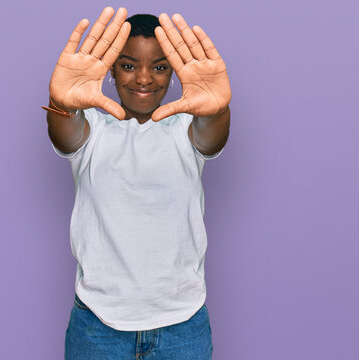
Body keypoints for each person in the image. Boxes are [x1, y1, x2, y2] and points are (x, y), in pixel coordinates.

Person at [43, 7, 231, 359]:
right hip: (97, 325)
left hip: (182, 325)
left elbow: (211, 139)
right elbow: (66, 135)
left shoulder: (186, 128)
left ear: (174, 72)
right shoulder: (93, 129)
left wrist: (217, 111)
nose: (144, 78)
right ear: (111, 69)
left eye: (159, 67)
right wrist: (60, 103)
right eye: (129, 65)